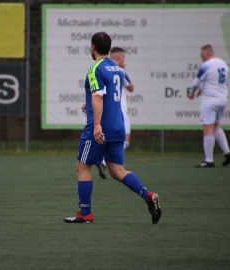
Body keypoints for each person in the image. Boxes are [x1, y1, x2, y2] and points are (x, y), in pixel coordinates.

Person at [64, 32, 161, 224]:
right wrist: (89, 105)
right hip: (118, 126)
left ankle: (85, 213)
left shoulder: (95, 68)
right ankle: (147, 195)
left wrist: (97, 124)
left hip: (101, 127)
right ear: (109, 48)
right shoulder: (117, 69)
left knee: (82, 167)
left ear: (92, 47)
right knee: (117, 170)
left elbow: (99, 97)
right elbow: (105, 96)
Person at [188, 44, 230, 168]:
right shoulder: (224, 64)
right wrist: (205, 88)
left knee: (207, 129)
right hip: (222, 99)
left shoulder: (206, 65)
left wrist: (192, 93)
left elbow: (196, 82)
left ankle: (209, 160)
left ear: (207, 53)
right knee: (216, 126)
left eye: (202, 55)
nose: (201, 58)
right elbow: (223, 82)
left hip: (209, 100)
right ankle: (227, 152)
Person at [95, 47, 135, 179]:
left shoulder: (102, 69)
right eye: (123, 57)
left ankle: (103, 159)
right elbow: (131, 87)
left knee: (108, 139)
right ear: (118, 58)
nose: (124, 60)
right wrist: (124, 69)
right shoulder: (120, 71)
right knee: (125, 141)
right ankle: (103, 160)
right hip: (120, 111)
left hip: (107, 110)